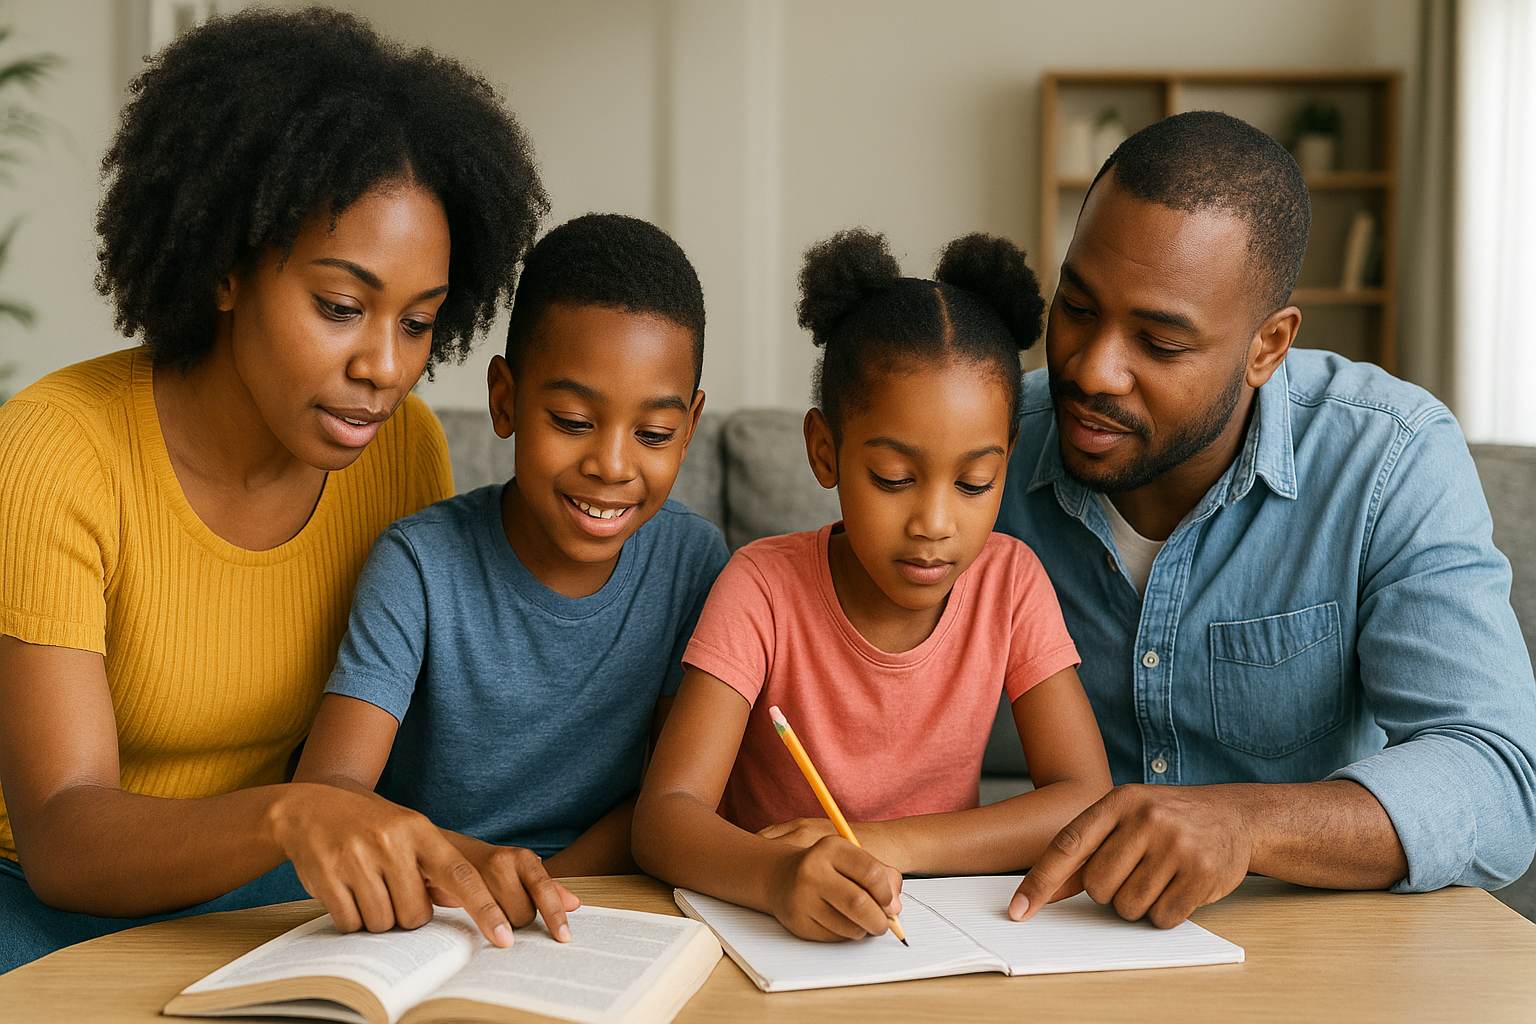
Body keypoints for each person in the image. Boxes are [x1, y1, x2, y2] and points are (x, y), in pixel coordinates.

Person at [0, 8, 549, 972]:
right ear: (224, 267)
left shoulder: (402, 451)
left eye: (419, 322)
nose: (385, 366)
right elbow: (59, 833)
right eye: (341, 307)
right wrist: (298, 814)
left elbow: (389, 756)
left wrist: (464, 859)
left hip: (259, 895)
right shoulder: (56, 448)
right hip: (33, 899)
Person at [999, 110, 1536, 930]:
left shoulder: (1388, 460)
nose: (1093, 368)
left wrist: (1245, 824)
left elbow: (1496, 777)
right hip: (1039, 932)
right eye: (1076, 307)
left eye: (1159, 342)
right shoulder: (980, 455)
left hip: (1299, 941)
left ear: (1267, 346)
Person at [633, 229, 1113, 942]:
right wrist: (778, 878)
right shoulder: (760, 588)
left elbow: (1084, 798)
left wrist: (886, 844)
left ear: (1007, 460)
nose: (934, 523)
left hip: (936, 925)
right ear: (825, 451)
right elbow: (664, 817)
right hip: (769, 926)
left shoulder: (1010, 582)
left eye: (976, 482)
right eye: (894, 479)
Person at [291, 214, 729, 943]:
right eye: (571, 419)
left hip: (607, 906)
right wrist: (481, 870)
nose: (613, 466)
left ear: (689, 427)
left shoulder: (693, 563)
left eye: (652, 434)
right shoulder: (419, 563)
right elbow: (329, 790)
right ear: (505, 400)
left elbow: (673, 797)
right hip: (427, 904)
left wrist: (549, 888)